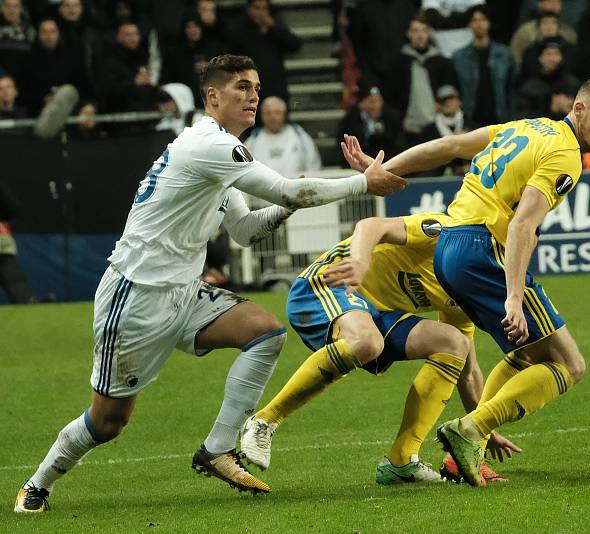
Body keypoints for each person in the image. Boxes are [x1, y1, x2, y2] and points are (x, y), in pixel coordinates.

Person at [13, 54, 406, 514]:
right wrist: (361, 183)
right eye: (242, 87)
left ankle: (217, 449)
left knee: (264, 332)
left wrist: (291, 204)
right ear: (212, 97)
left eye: (257, 88)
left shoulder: (227, 154)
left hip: (184, 292)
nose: (253, 96)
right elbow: (285, 190)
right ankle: (37, 484)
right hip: (136, 295)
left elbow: (244, 230)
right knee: (109, 421)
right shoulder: (209, 145)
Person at [342, 72, 590, 486]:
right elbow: (521, 226)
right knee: (570, 364)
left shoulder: (526, 127)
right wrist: (514, 296)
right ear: (579, 108)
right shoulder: (566, 155)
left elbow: (450, 146)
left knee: (531, 355)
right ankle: (471, 431)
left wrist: (381, 168)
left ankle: (469, 447)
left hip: (449, 246)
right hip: (482, 251)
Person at [240, 212, 520, 485]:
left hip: (376, 313)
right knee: (367, 342)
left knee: (454, 343)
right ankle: (264, 421)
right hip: (329, 284)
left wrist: (482, 428)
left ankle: (401, 460)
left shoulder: (464, 293)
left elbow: (468, 373)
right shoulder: (443, 232)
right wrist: (360, 262)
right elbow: (371, 225)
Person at [245, 96, 321, 189]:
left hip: (296, 193)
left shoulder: (300, 137)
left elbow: (313, 166)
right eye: (268, 113)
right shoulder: (253, 141)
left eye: (277, 113)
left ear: (284, 114)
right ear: (261, 116)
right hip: (262, 196)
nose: (273, 117)